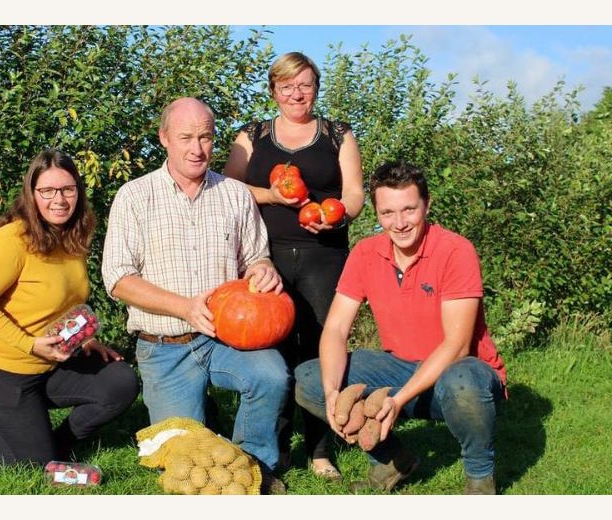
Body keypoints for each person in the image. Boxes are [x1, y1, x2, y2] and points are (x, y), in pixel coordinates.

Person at [101, 97, 291, 494]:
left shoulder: (235, 194)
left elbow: (257, 256)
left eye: (205, 137)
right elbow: (117, 278)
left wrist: (263, 269)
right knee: (181, 459)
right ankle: (206, 424)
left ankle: (253, 464)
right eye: (186, 137)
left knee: (272, 375)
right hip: (164, 346)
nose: (196, 148)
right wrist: (184, 308)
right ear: (164, 138)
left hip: (227, 339)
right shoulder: (134, 196)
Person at [294, 161, 508, 495]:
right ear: (377, 213)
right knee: (309, 380)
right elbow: (335, 328)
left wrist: (399, 400)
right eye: (388, 212)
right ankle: (392, 460)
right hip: (400, 367)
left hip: (459, 375)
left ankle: (479, 476)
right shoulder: (366, 252)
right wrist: (332, 391)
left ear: (427, 205)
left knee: (463, 380)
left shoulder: (456, 251)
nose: (399, 223)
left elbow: (457, 346)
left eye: (409, 209)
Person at [0, 149, 139, 470]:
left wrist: (81, 339)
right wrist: (29, 344)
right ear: (32, 194)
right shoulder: (12, 240)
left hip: (45, 368)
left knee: (120, 382)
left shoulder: (72, 237)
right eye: (47, 191)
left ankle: (55, 450)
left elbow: (66, 300)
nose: (59, 199)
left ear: (78, 192)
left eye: (68, 189)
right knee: (29, 472)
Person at [223, 51, 365, 480]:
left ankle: (322, 449)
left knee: (322, 349)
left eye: (304, 85)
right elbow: (228, 187)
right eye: (287, 86)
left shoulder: (339, 135)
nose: (296, 94)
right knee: (275, 352)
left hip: (326, 257)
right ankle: (277, 448)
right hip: (267, 259)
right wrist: (270, 196)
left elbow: (355, 194)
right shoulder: (252, 136)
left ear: (316, 89)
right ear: (273, 91)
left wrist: (335, 214)